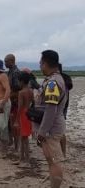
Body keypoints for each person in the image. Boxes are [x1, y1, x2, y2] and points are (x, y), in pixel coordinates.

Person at [37, 50, 66, 188]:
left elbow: (50, 109)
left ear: (46, 63)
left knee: (53, 161)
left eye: (41, 63)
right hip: (52, 126)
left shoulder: (53, 83)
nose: (40, 67)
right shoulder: (54, 79)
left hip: (51, 129)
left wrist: (42, 131)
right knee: (51, 160)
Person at [14, 71, 34, 167]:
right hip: (29, 114)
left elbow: (19, 107)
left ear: (21, 81)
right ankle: (21, 158)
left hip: (23, 115)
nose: (18, 83)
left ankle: (27, 161)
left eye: (19, 81)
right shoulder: (30, 91)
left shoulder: (21, 92)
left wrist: (17, 120)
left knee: (24, 139)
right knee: (23, 138)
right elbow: (33, 103)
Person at [5, 54, 21, 150]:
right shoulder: (9, 72)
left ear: (12, 61)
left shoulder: (15, 73)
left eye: (6, 61)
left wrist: (7, 97)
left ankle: (17, 145)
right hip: (10, 102)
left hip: (15, 103)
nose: (5, 63)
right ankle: (11, 142)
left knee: (15, 125)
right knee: (9, 124)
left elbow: (18, 90)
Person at [58, 63, 73, 159]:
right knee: (59, 130)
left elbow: (69, 87)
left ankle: (63, 153)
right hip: (62, 106)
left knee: (61, 131)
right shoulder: (65, 78)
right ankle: (61, 153)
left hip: (62, 107)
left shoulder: (63, 78)